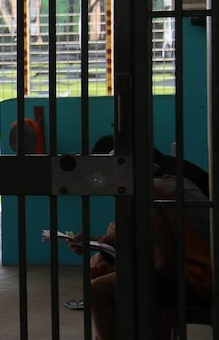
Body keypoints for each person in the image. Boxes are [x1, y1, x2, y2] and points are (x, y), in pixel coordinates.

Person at [69, 136, 211, 339]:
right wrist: (102, 247)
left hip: (198, 277)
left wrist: (119, 270)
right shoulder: (167, 180)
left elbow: (164, 260)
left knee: (98, 290)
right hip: (198, 269)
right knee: (106, 272)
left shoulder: (153, 191)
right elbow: (136, 234)